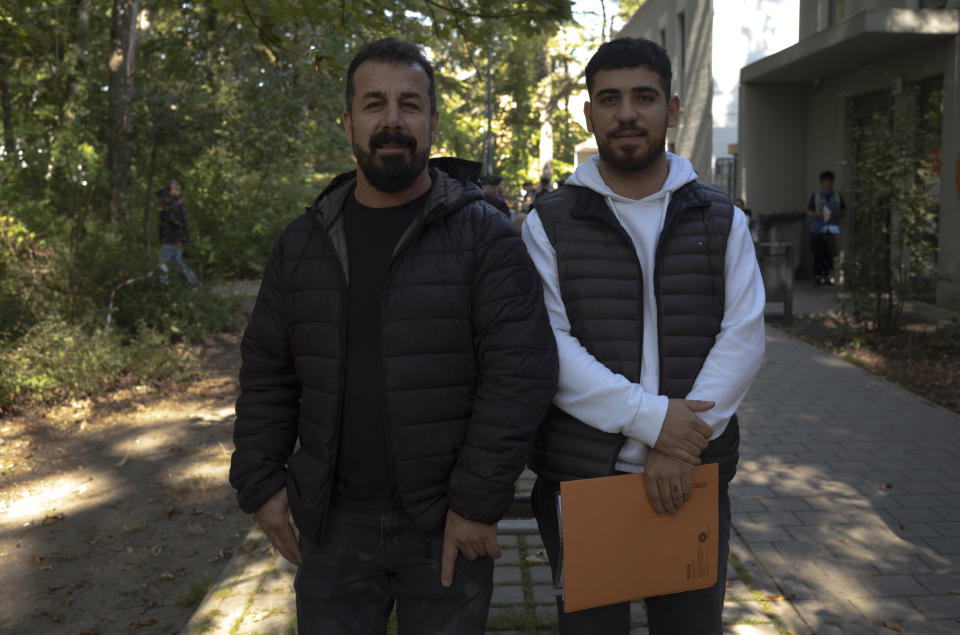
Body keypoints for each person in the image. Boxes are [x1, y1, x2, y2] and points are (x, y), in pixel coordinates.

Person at [229, 38, 558, 635]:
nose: (392, 121)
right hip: (332, 525)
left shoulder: (484, 238)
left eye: (410, 104)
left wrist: (476, 506)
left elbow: (520, 376)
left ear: (433, 120)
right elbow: (267, 369)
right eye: (374, 103)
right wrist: (259, 480)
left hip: (448, 526)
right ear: (348, 119)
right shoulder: (303, 242)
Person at [520, 37, 765, 634]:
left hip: (692, 479)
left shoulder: (720, 218)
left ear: (672, 109)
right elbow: (548, 346)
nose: (627, 113)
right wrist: (654, 423)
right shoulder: (548, 222)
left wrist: (678, 446)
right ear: (589, 114)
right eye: (610, 99)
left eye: (643, 97)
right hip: (584, 484)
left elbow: (744, 334)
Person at [806, 170, 845, 285]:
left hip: (832, 229)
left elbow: (844, 211)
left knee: (831, 254)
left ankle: (829, 277)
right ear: (821, 182)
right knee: (818, 254)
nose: (827, 183)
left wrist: (833, 213)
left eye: (829, 181)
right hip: (818, 229)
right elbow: (808, 212)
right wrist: (820, 214)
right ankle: (817, 277)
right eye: (825, 181)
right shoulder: (816, 195)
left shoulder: (837, 196)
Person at [157, 179, 199, 286]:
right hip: (172, 239)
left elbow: (177, 224)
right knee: (178, 262)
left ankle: (164, 285)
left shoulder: (173, 206)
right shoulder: (171, 206)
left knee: (164, 263)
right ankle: (193, 282)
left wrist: (179, 240)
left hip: (172, 240)